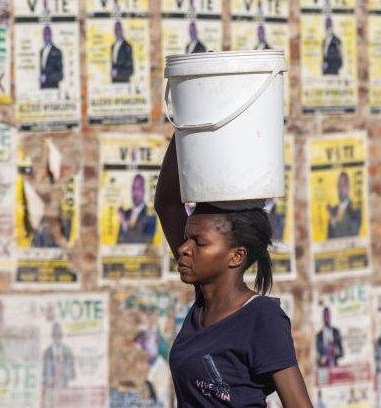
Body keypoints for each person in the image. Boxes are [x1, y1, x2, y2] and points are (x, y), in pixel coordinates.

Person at [153, 139, 312, 407]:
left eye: (199, 243)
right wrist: (186, 125)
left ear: (236, 256)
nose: (183, 248)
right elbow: (167, 205)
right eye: (186, 238)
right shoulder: (203, 305)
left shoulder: (261, 317)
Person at [117, 174, 157, 244]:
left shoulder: (151, 215)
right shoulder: (126, 213)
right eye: (133, 188)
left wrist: (124, 224)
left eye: (138, 188)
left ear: (144, 190)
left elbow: (146, 241)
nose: (135, 193)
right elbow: (119, 242)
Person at [42, 322, 76, 396]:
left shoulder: (68, 351)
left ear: (61, 335)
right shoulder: (47, 353)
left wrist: (64, 373)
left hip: (65, 390)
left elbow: (73, 375)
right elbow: (43, 376)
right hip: (51, 392)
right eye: (55, 334)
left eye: (59, 334)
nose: (57, 336)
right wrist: (50, 380)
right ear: (52, 336)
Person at [326, 172, 361, 239]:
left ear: (348, 187)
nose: (340, 189)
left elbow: (352, 235)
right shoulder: (333, 210)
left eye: (343, 185)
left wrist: (333, 221)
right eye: (339, 186)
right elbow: (328, 238)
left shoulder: (355, 210)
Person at [38, 25, 63, 89]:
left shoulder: (57, 51)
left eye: (47, 34)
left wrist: (46, 78)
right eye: (44, 34)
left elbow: (60, 75)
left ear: (51, 35)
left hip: (53, 88)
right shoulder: (41, 51)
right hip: (43, 88)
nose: (45, 36)